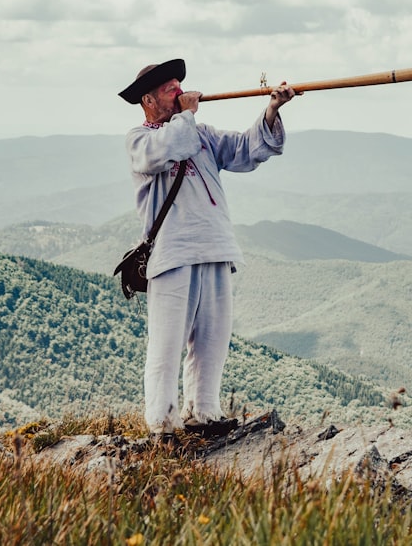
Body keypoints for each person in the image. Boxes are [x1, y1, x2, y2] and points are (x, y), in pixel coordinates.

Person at [117, 58, 297, 438]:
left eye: (180, 84)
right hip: (174, 253)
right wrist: (187, 116)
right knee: (167, 344)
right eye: (170, 88)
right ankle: (162, 423)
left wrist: (272, 109)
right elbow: (174, 146)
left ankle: (204, 412)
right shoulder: (142, 140)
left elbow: (247, 150)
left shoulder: (204, 135)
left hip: (216, 247)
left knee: (212, 340)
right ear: (148, 100)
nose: (180, 90)